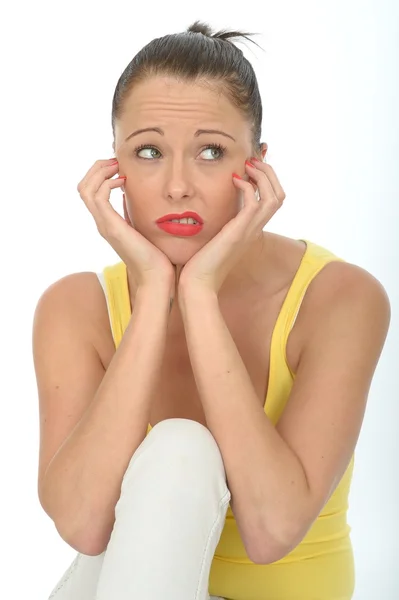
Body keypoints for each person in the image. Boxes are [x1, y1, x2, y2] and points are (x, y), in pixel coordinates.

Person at [33, 20, 391, 600]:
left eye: (210, 152)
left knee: (181, 449)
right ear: (114, 169)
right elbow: (83, 526)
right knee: (176, 448)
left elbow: (272, 530)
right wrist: (153, 293)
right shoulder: (75, 308)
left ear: (257, 165)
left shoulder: (341, 298)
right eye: (148, 152)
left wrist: (198, 294)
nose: (177, 186)